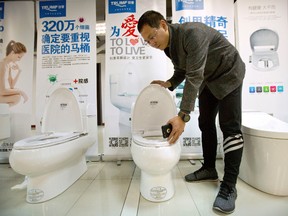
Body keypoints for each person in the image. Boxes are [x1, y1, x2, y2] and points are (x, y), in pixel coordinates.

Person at [137, 10, 245, 214]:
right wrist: (169, 83)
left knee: (229, 127)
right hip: (209, 79)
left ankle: (229, 187)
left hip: (229, 73)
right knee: (205, 122)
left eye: (152, 36)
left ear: (163, 25)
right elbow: (183, 70)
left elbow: (194, 75)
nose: (151, 43)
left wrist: (183, 116)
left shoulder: (193, 34)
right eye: (147, 41)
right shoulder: (169, 47)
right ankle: (209, 168)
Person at [0, 40, 28, 106]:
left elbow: (12, 85)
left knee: (17, 96)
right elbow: (1, 91)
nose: (19, 60)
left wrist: (19, 71)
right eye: (19, 57)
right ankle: (2, 112)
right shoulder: (2, 64)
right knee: (17, 97)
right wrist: (21, 92)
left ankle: (3, 112)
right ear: (12, 53)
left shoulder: (8, 65)